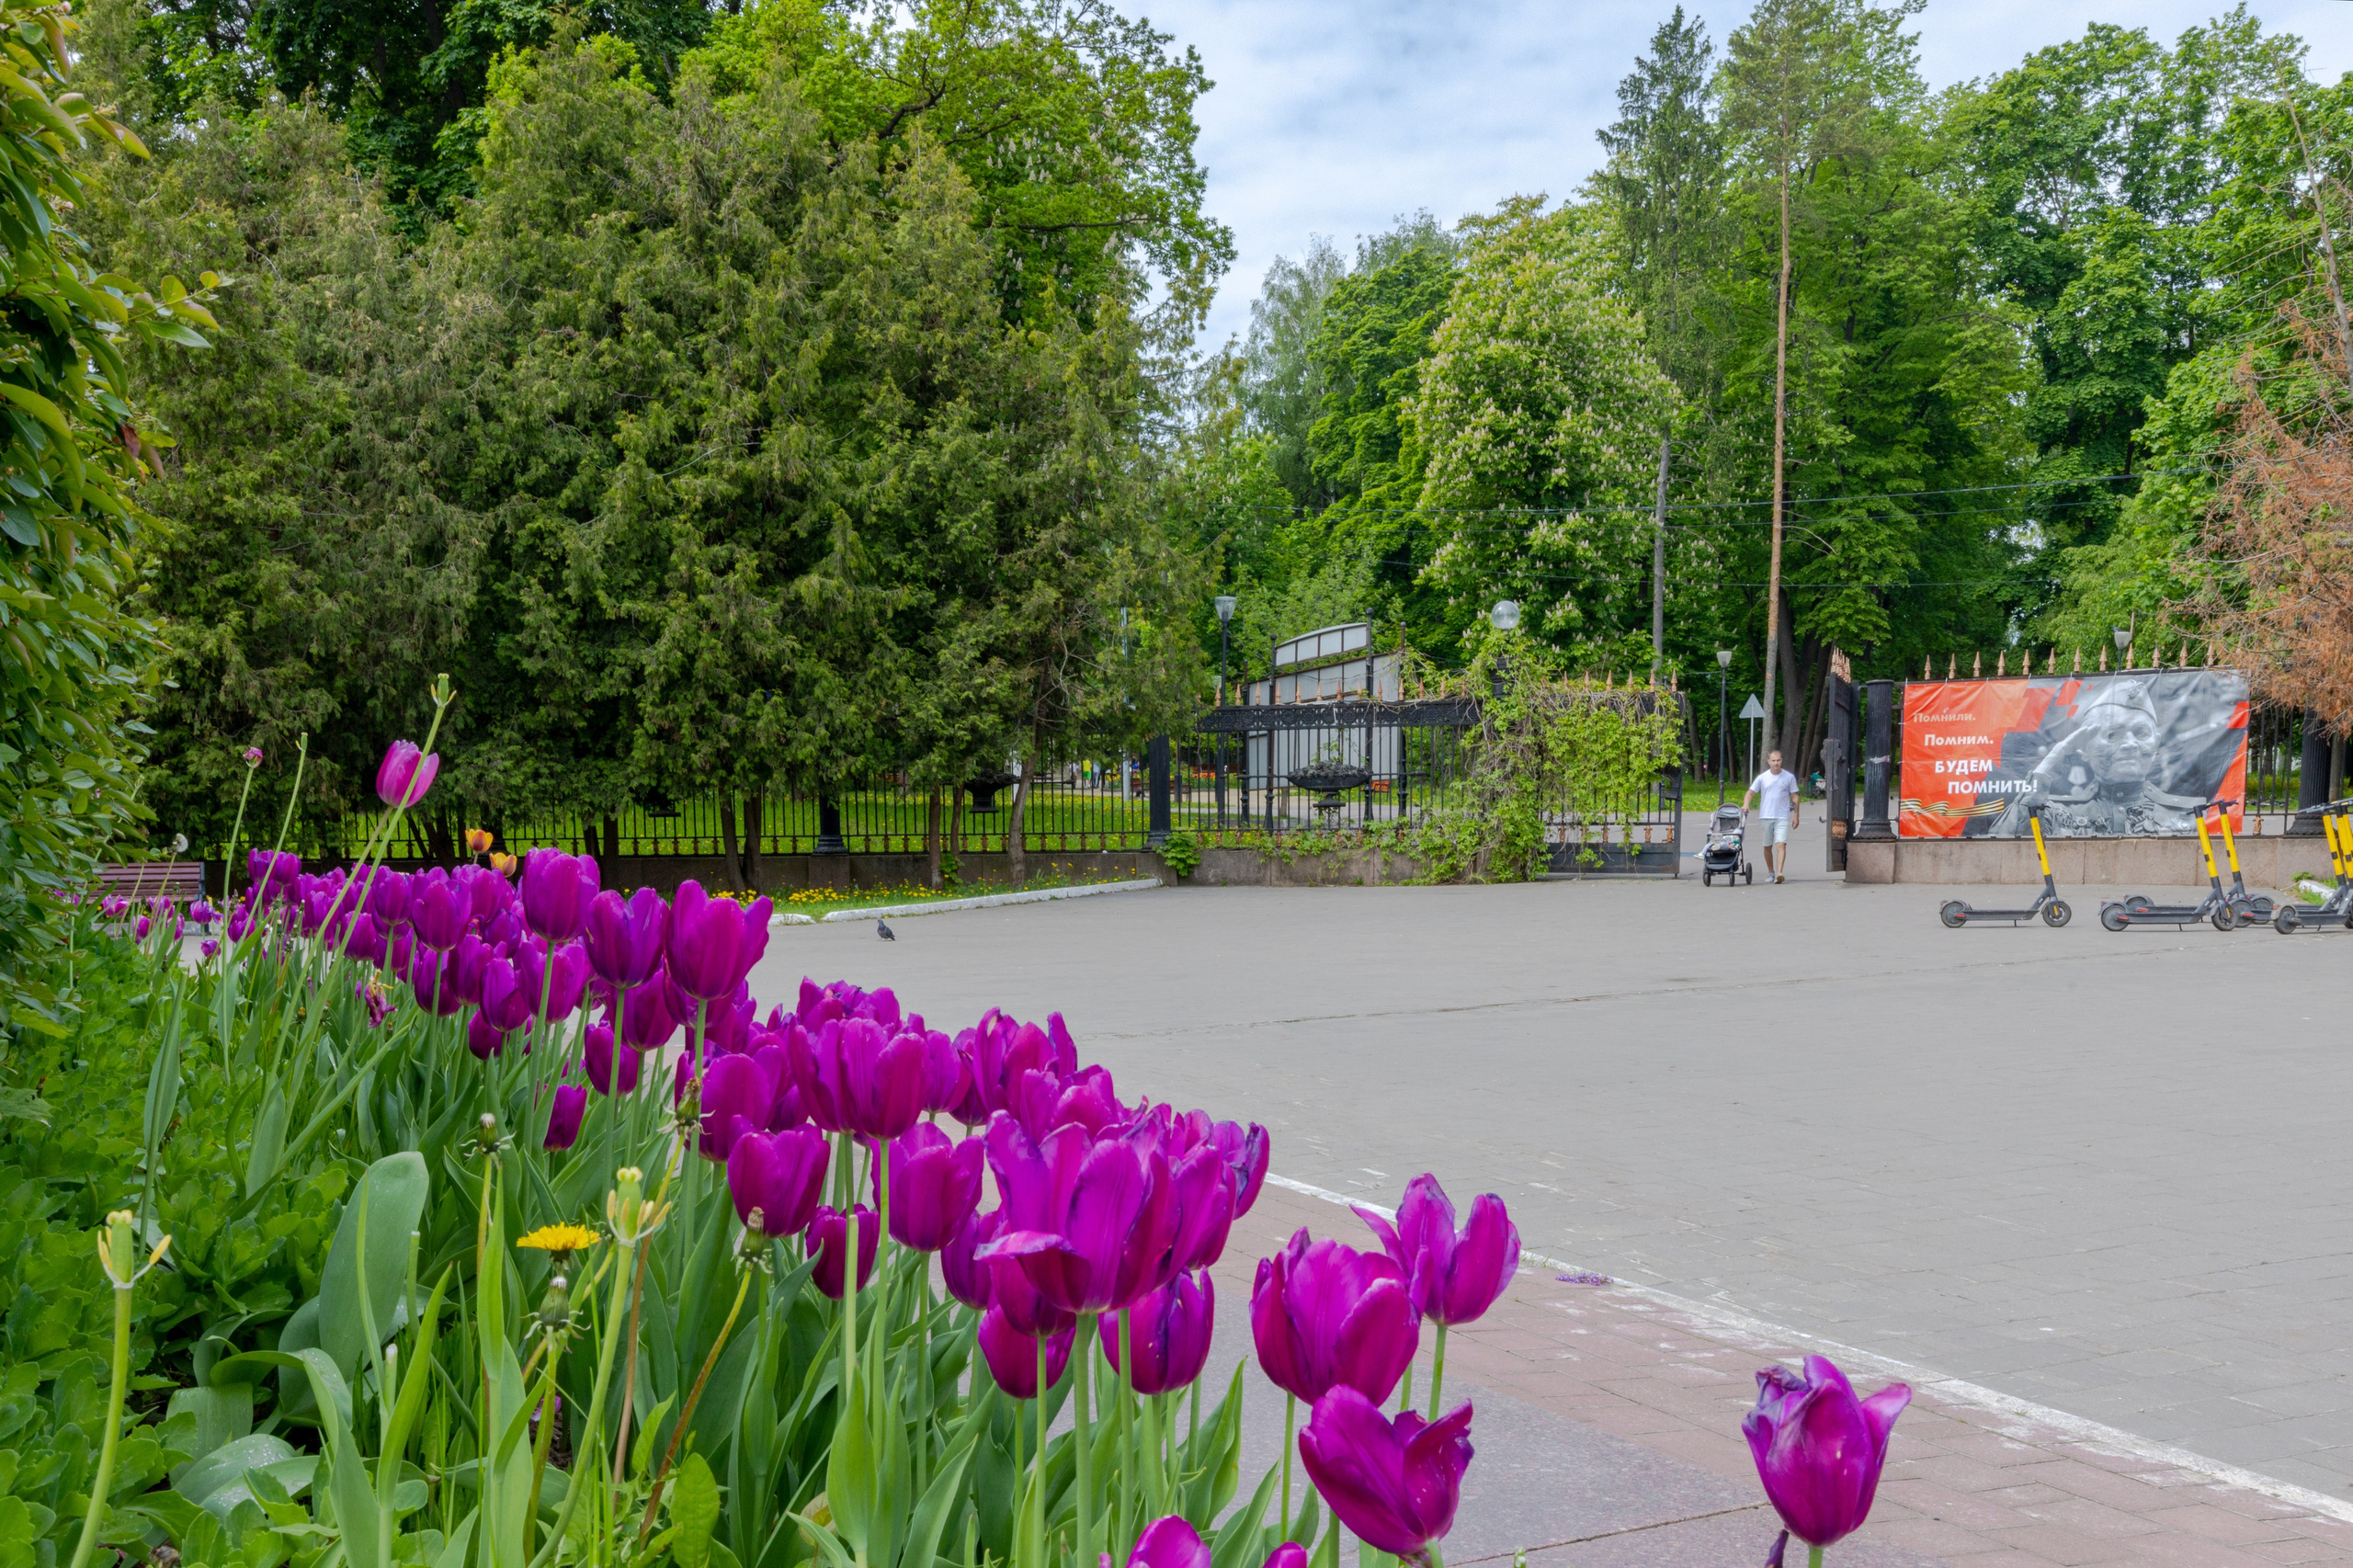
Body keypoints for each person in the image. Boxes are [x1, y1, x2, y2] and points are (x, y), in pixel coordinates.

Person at [1989, 680, 2205, 837]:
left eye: (2141, 733)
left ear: (2156, 743)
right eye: (2113, 734)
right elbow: (2004, 842)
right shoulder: (2058, 813)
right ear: (2085, 750)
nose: (2130, 744)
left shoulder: (2189, 814)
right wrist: (2051, 760)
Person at [1744, 750, 1800, 883]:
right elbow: (1750, 793)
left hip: (1782, 816)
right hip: (1766, 816)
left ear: (1782, 760)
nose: (1776, 763)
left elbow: (1795, 797)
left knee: (1781, 845)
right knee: (1767, 846)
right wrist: (1746, 805)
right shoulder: (1763, 777)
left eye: (1778, 760)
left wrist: (1796, 816)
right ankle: (1771, 872)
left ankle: (1779, 873)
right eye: (1773, 761)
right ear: (1768, 761)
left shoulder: (1789, 777)